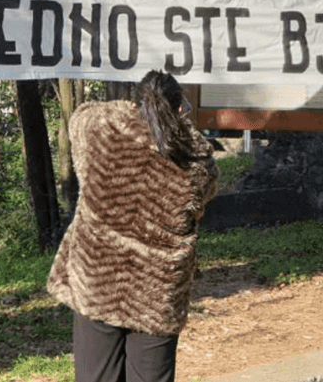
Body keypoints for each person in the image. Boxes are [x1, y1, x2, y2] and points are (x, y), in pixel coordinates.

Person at [48, 70, 219, 382]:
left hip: (98, 277)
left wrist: (128, 111)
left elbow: (80, 118)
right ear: (179, 108)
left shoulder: (102, 128)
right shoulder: (196, 158)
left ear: (136, 102)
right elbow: (201, 200)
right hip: (156, 289)